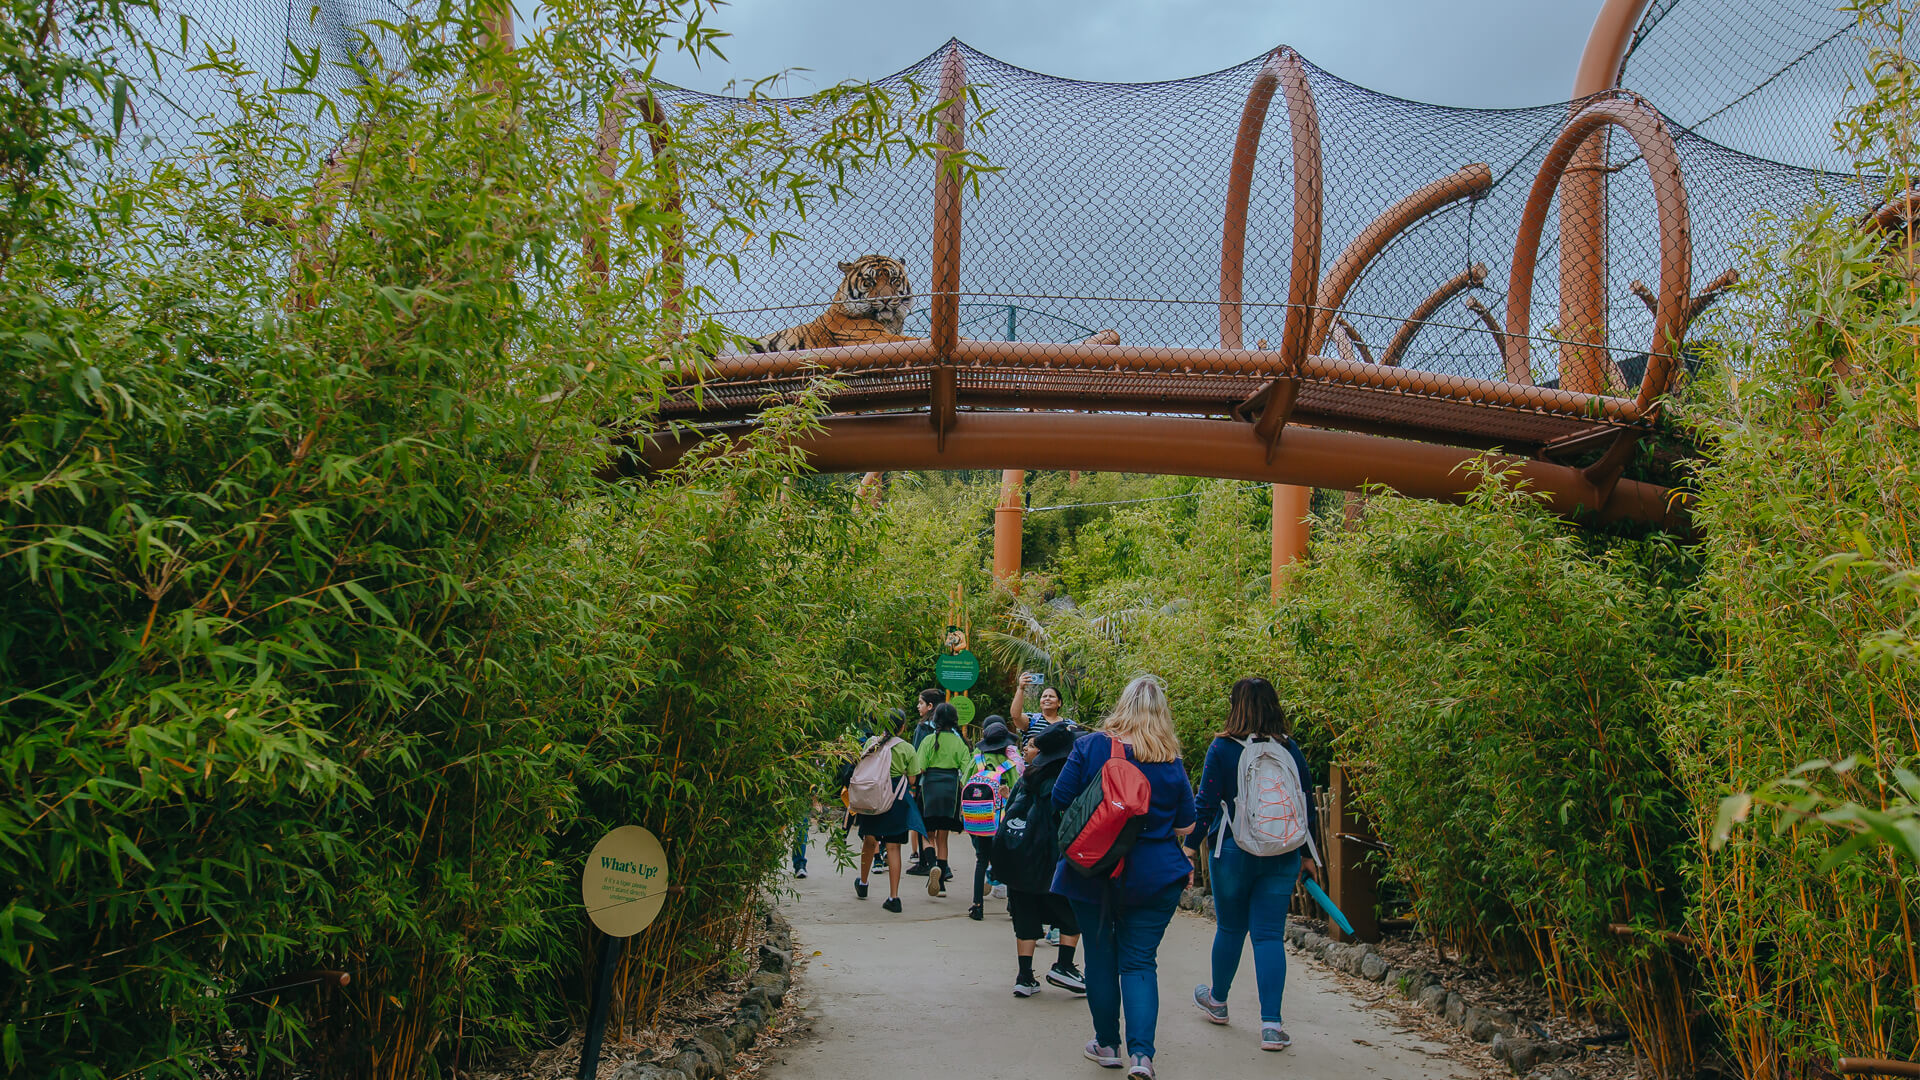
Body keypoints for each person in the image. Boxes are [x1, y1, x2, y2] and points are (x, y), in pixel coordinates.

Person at [1051, 675, 1195, 1080]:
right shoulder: (1169, 759)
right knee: (1139, 962)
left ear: (1122, 704)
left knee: (1100, 957)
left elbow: (1059, 800)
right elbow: (1186, 824)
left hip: (1090, 871)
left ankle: (1107, 1044)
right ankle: (1142, 1057)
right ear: (1162, 713)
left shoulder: (1090, 746)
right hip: (1154, 875)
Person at [1184, 676, 1319, 1052]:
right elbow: (1305, 801)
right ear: (1274, 705)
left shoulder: (1223, 747)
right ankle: (1272, 1025)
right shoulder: (1288, 748)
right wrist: (1308, 854)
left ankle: (1218, 1000)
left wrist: (1190, 848)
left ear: (1235, 705)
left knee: (1230, 929)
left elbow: (1206, 802)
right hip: (1282, 853)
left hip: (1233, 852)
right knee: (1268, 935)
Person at [990, 719, 1086, 998]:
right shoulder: (1067, 780)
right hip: (1052, 860)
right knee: (1070, 913)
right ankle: (1064, 965)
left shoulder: (1027, 778)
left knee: (1025, 917)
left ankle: (1024, 977)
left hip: (1020, 858)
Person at [853, 712, 923, 913]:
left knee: (869, 840)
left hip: (872, 798)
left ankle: (864, 883)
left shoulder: (870, 743)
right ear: (902, 727)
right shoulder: (907, 748)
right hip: (896, 800)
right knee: (893, 847)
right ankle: (894, 897)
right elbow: (912, 780)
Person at [964, 719, 1023, 920]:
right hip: (1002, 821)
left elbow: (964, 783)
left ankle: (977, 905)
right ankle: (1012, 906)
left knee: (981, 860)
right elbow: (1016, 791)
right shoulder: (1009, 765)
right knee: (1010, 862)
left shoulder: (977, 761)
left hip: (980, 820)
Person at [914, 702, 971, 896]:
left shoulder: (929, 740)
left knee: (926, 834)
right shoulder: (959, 742)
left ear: (935, 720)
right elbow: (966, 770)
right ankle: (943, 882)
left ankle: (932, 867)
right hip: (951, 790)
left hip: (930, 788)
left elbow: (919, 768)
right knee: (943, 838)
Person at [904, 687, 945, 875]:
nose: (918, 706)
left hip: (926, 781)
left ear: (930, 706)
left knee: (923, 823)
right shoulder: (949, 728)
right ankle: (944, 866)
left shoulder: (922, 728)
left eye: (921, 703)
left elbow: (916, 754)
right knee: (940, 827)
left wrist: (913, 778)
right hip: (947, 782)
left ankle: (925, 862)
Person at [1011, 676, 1069, 760]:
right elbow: (1015, 716)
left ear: (1059, 703)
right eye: (1044, 696)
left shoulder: (1067, 724)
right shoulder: (1032, 720)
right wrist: (1021, 688)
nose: (1047, 698)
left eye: (1051, 696)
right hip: (1031, 770)